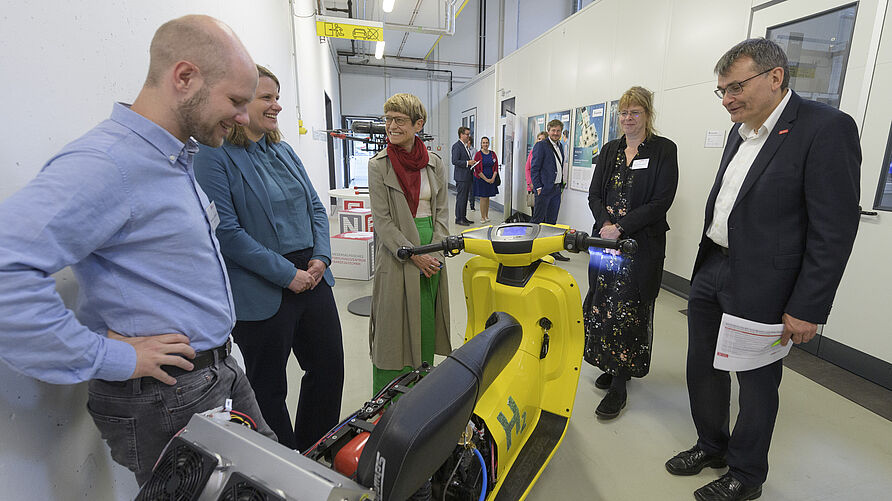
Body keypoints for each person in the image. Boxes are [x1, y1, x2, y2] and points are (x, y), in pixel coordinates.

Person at [0, 15, 275, 485]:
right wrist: (113, 356)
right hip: (166, 396)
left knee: (275, 480)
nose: (243, 119)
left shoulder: (173, 160)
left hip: (216, 374)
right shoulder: (108, 163)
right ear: (184, 77)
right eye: (234, 101)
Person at [665, 38, 860, 501]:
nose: (728, 99)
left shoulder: (825, 128)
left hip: (767, 285)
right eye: (722, 91)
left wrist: (808, 306)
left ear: (776, 77)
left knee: (756, 384)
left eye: (736, 87)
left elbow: (833, 230)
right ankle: (711, 445)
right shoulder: (741, 130)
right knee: (703, 367)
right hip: (713, 265)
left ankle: (746, 474)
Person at [193, 64, 344, 452]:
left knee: (328, 369)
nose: (276, 105)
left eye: (277, 97)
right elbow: (225, 231)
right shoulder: (215, 156)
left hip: (312, 275)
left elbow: (314, 205)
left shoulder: (283, 150)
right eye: (267, 97)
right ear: (241, 103)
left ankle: (314, 452)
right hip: (262, 287)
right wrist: (286, 274)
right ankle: (284, 462)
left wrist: (322, 257)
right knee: (268, 389)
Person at [583, 86, 678, 420]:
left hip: (639, 245)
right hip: (606, 242)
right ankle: (610, 362)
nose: (627, 118)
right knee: (602, 302)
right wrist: (606, 224)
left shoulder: (664, 150)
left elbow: (660, 202)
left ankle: (621, 383)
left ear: (647, 115)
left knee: (629, 308)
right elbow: (595, 195)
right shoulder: (610, 150)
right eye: (623, 113)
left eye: (634, 112)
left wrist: (621, 228)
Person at [368, 93, 452, 395]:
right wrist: (414, 254)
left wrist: (437, 251)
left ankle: (421, 393)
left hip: (432, 252)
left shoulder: (434, 163)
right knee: (394, 329)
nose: (390, 125)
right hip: (398, 253)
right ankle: (388, 400)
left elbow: (442, 211)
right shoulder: (379, 166)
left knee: (424, 323)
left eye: (399, 120)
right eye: (387, 119)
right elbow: (382, 221)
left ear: (418, 124)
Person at [530, 119, 570, 261]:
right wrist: (538, 187)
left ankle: (551, 251)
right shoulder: (541, 145)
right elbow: (534, 168)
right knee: (538, 220)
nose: (556, 133)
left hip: (556, 190)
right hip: (544, 190)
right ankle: (533, 251)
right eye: (553, 130)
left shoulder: (560, 146)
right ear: (548, 131)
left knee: (552, 222)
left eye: (558, 131)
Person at [451, 126, 475, 226]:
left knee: (465, 198)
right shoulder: (457, 146)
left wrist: (472, 163)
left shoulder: (465, 146)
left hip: (467, 176)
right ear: (461, 135)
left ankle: (463, 217)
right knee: (461, 198)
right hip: (461, 177)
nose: (468, 136)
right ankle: (458, 218)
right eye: (467, 134)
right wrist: (467, 163)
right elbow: (455, 161)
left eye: (469, 134)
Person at [472, 136, 499, 223]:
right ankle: (482, 217)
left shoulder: (493, 154)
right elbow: (477, 169)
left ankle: (487, 216)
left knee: (487, 198)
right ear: (481, 144)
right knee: (483, 198)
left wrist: (493, 178)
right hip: (481, 179)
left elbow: (495, 167)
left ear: (489, 143)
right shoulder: (478, 154)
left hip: (491, 179)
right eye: (483, 143)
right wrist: (486, 179)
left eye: (487, 143)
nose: (485, 144)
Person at [525, 131, 548, 210]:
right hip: (532, 186)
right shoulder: (532, 152)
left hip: (544, 186)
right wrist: (530, 183)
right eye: (539, 139)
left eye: (543, 139)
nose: (540, 141)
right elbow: (527, 168)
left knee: (543, 211)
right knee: (534, 211)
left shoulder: (548, 153)